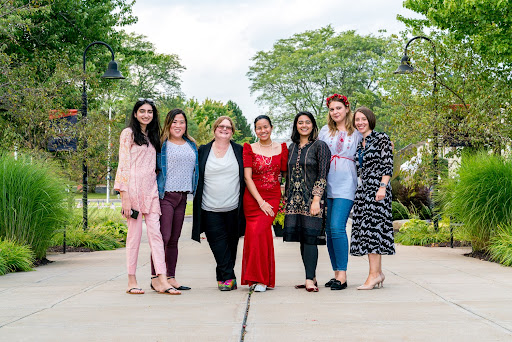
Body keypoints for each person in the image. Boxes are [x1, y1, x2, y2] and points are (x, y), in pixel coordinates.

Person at [114, 98, 178, 295]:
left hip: (150, 190)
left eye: (149, 111)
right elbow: (123, 164)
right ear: (135, 114)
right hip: (132, 190)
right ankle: (131, 280)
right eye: (142, 111)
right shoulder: (128, 134)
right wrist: (124, 195)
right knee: (134, 236)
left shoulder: (153, 136)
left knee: (156, 235)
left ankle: (162, 278)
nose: (146, 115)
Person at [192, 116, 246, 291]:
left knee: (231, 247)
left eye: (228, 127)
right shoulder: (203, 151)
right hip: (209, 209)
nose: (224, 129)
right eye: (221, 126)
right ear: (214, 129)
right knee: (218, 245)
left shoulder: (239, 150)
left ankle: (222, 276)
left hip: (234, 209)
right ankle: (228, 278)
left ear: (232, 132)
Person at [318, 94, 362, 290]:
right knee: (329, 230)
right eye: (332, 109)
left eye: (338, 108)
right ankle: (336, 273)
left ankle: (343, 275)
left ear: (346, 109)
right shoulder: (325, 131)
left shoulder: (357, 132)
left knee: (337, 226)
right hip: (327, 182)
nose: (335, 112)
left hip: (346, 182)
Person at [151, 108, 198, 291]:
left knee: (174, 239)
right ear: (168, 124)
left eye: (182, 122)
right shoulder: (161, 145)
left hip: (183, 196)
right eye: (175, 122)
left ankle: (170, 277)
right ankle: (156, 278)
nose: (178, 125)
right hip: (165, 196)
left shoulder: (191, 144)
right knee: (162, 237)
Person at [283, 111, 330, 293]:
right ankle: (311, 276)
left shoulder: (320, 146)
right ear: (296, 125)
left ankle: (309, 279)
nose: (304, 125)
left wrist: (316, 199)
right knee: (303, 239)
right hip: (294, 202)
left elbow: (322, 174)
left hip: (313, 200)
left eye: (307, 122)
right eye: (300, 122)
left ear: (313, 125)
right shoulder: (291, 147)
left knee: (310, 238)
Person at [241, 115, 288, 292]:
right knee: (255, 235)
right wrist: (260, 201)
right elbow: (247, 177)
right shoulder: (249, 148)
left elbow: (285, 173)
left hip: (273, 197)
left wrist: (284, 194)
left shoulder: (281, 148)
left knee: (260, 232)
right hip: (253, 198)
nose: (262, 130)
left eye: (265, 127)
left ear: (271, 127)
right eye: (259, 128)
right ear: (255, 130)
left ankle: (261, 279)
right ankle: (257, 278)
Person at [351, 106, 395, 290]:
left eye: (363, 119)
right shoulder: (359, 142)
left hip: (378, 190)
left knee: (373, 232)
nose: (360, 122)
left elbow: (388, 164)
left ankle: (373, 275)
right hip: (364, 190)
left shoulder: (381, 138)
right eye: (357, 120)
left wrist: (382, 187)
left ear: (370, 120)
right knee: (370, 231)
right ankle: (379, 273)